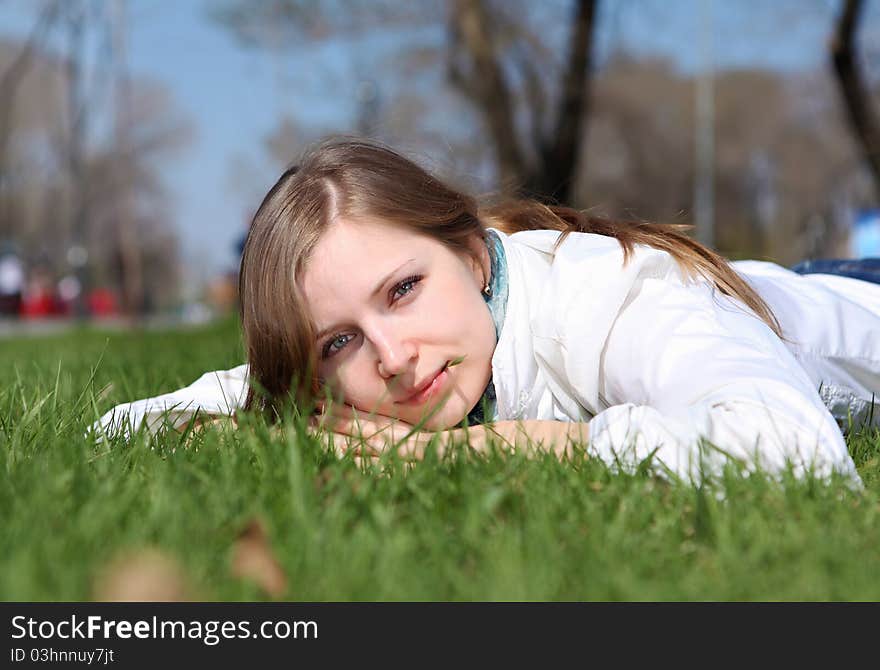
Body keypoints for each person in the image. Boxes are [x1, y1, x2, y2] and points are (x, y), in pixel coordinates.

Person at [94, 139, 880, 485]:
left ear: (472, 256)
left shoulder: (612, 299)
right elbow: (119, 430)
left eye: (402, 290)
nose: (393, 357)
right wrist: (264, 425)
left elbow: (795, 455)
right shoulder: (380, 359)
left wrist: (515, 445)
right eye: (339, 340)